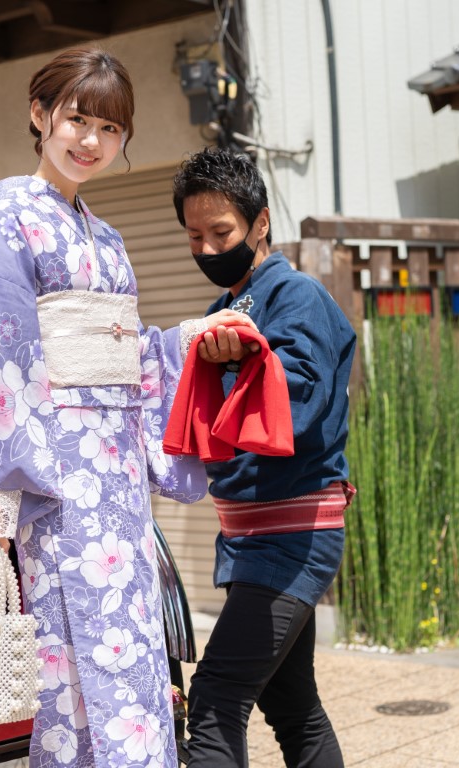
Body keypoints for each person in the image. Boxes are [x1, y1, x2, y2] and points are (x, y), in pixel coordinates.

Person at [0, 48, 254, 767]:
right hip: (55, 478)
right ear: (40, 115)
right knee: (73, 657)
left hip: (117, 480)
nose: (90, 141)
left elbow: (128, 355)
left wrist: (184, 338)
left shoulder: (107, 240)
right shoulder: (6, 222)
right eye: (77, 119)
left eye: (109, 130)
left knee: (133, 645)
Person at [171, 147, 357, 768]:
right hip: (253, 536)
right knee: (292, 705)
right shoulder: (223, 310)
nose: (206, 249)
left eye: (220, 232)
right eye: (194, 236)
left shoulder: (296, 295)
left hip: (291, 534)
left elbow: (298, 404)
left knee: (219, 697)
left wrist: (237, 363)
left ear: (261, 223)